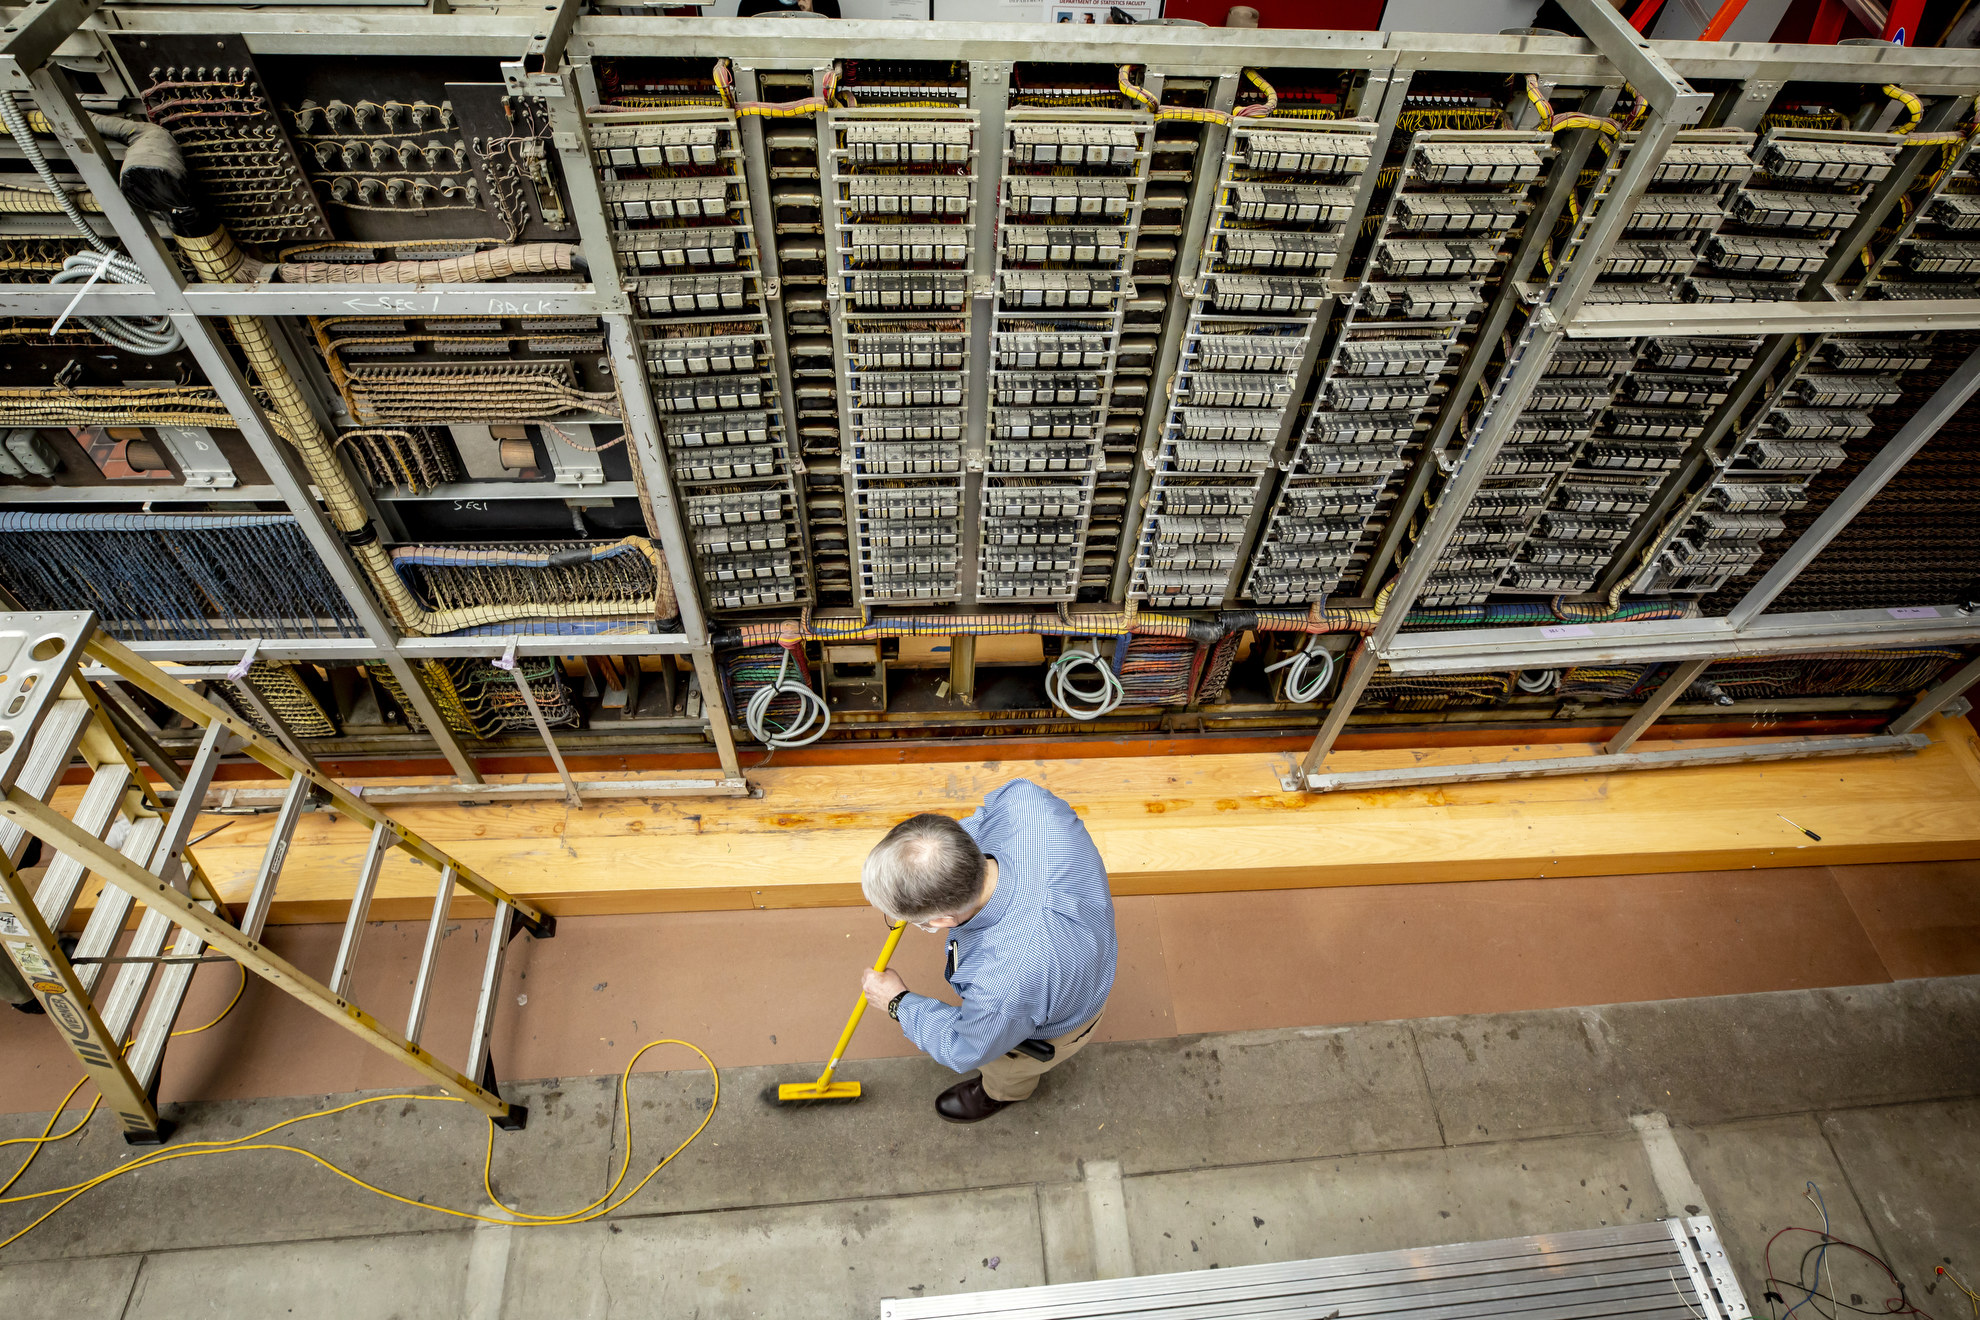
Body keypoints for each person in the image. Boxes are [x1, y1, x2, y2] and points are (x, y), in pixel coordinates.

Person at [858, 779, 1116, 1124]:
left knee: (1008, 1066)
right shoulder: (1026, 802)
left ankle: (1002, 1093)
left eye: (915, 922)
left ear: (943, 919)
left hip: (1060, 1020)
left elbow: (965, 1047)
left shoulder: (1003, 984)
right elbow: (978, 822)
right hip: (1088, 944)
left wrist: (897, 1002)